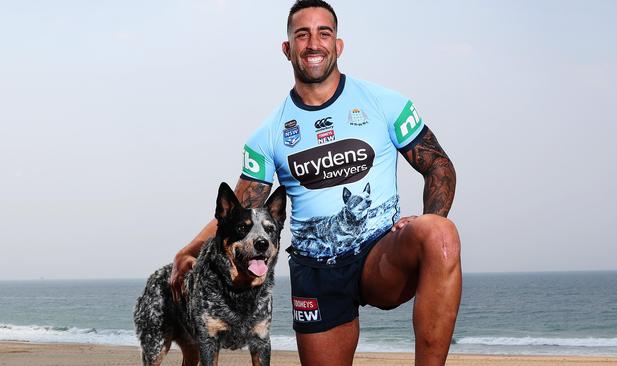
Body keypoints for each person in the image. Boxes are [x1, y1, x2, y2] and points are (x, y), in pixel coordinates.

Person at [170, 1, 461, 365]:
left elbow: (438, 164)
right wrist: (188, 250)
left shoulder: (385, 103)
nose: (313, 43)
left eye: (324, 33)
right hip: (317, 271)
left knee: (441, 233)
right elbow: (236, 213)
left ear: (337, 45)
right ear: (287, 49)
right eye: (301, 34)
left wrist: (429, 216)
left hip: (380, 255)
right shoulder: (268, 135)